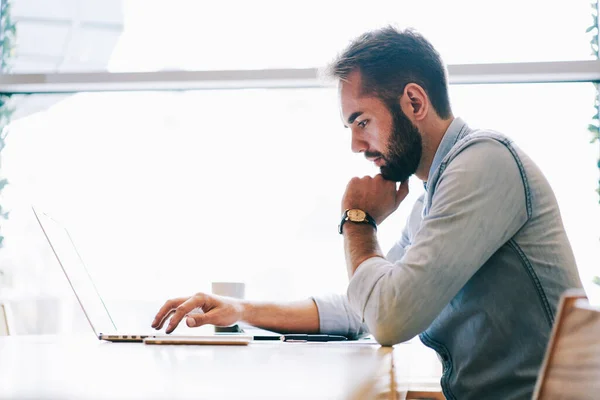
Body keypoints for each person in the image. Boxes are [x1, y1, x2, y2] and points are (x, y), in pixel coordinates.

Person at [151, 27, 583, 400]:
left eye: (362, 122)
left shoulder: (484, 166)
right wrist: (241, 310)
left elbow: (388, 318)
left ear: (414, 102)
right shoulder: (437, 194)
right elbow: (365, 306)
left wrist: (359, 221)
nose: (357, 146)